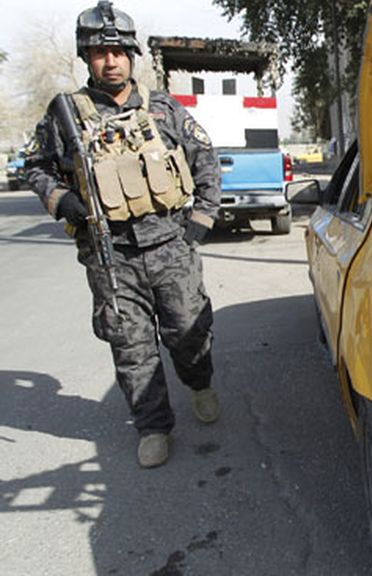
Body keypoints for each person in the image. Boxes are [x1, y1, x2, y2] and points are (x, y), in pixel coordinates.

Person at [24, 1, 221, 468]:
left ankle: (200, 384)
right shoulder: (65, 116)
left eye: (117, 51)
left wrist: (202, 220)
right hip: (111, 252)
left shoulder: (163, 108)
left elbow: (206, 159)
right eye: (98, 52)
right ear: (86, 58)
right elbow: (35, 166)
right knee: (131, 345)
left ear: (131, 56)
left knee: (189, 334)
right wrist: (60, 200)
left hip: (171, 245)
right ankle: (153, 426)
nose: (109, 60)